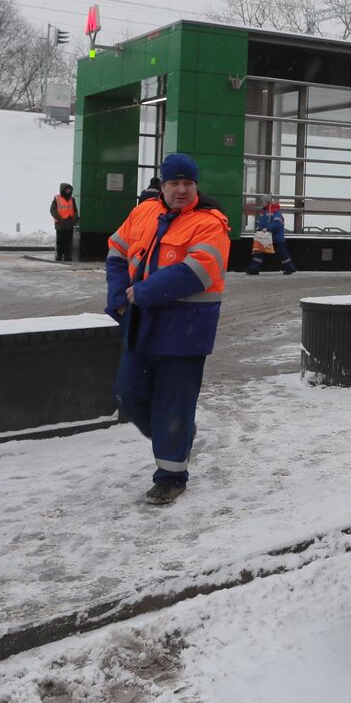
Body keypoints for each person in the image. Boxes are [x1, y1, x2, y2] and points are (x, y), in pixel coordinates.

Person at [105, 153, 231, 505]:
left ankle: (171, 476)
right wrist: (118, 296)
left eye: (187, 183)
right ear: (162, 185)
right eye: (173, 183)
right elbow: (116, 250)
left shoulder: (210, 222)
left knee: (173, 404)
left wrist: (143, 291)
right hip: (142, 324)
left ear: (196, 186)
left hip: (185, 331)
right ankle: (176, 435)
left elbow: (199, 271)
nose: (180, 190)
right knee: (128, 392)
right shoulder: (143, 212)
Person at [246, 195, 297, 275]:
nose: (261, 203)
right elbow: (260, 223)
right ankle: (254, 268)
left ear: (267, 202)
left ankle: (290, 267)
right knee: (259, 251)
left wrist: (268, 229)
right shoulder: (265, 212)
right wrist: (258, 228)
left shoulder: (276, 212)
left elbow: (277, 223)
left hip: (275, 238)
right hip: (266, 237)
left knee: (281, 253)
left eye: (262, 202)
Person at [50, 183, 78, 262]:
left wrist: (74, 219)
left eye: (69, 189)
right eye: (67, 189)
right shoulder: (57, 199)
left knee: (68, 241)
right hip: (60, 224)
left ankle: (67, 256)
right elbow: (52, 210)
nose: (68, 191)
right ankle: (59, 255)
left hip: (69, 223)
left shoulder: (72, 199)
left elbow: (75, 210)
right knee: (60, 241)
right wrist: (59, 218)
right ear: (63, 190)